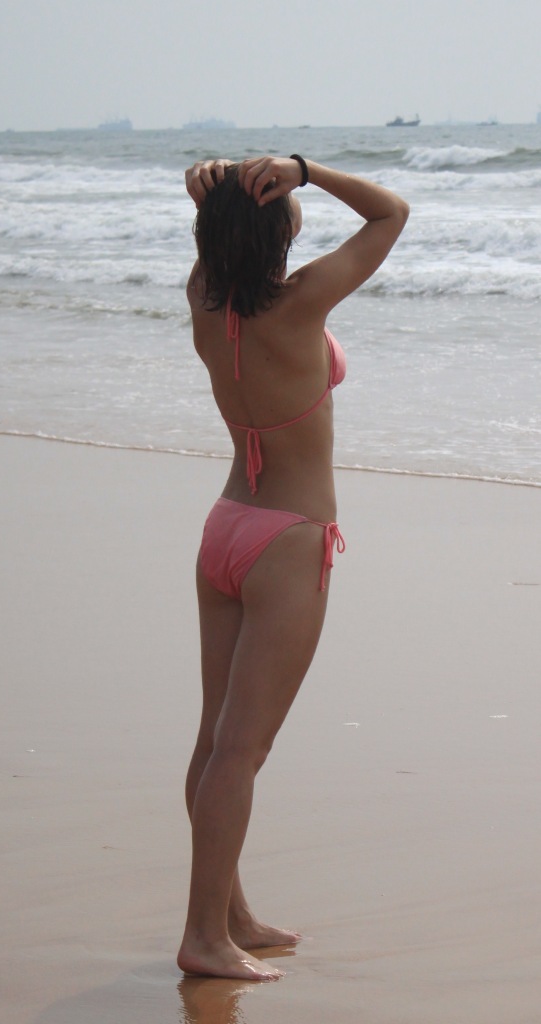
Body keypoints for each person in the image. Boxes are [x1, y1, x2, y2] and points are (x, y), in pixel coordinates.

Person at [178, 154, 409, 982]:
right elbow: (390, 212)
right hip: (286, 540)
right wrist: (306, 169)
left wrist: (214, 194)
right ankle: (203, 936)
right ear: (277, 226)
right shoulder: (302, 300)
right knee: (240, 750)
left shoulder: (204, 298)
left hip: (227, 526)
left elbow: (216, 239)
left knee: (216, 742)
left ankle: (229, 915)